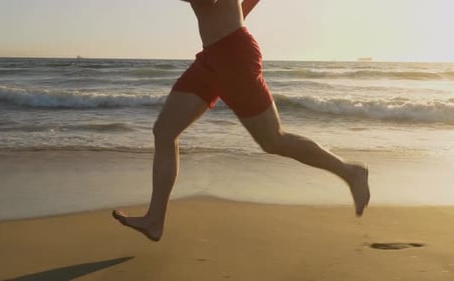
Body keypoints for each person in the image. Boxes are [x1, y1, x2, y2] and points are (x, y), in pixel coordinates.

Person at [113, 0, 370, 242]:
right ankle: (155, 220)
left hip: (234, 57)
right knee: (164, 131)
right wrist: (236, 17)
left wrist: (233, 27)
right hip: (212, 57)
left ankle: (350, 172)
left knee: (273, 139)